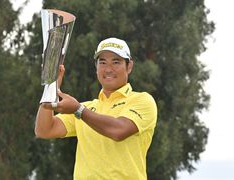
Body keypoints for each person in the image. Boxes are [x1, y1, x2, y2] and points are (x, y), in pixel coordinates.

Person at [35, 37, 158, 179]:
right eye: (102, 62)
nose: (108, 69)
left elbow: (119, 131)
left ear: (129, 66)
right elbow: (44, 130)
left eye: (116, 62)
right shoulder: (88, 107)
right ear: (96, 67)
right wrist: (50, 87)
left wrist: (79, 110)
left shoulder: (142, 100)